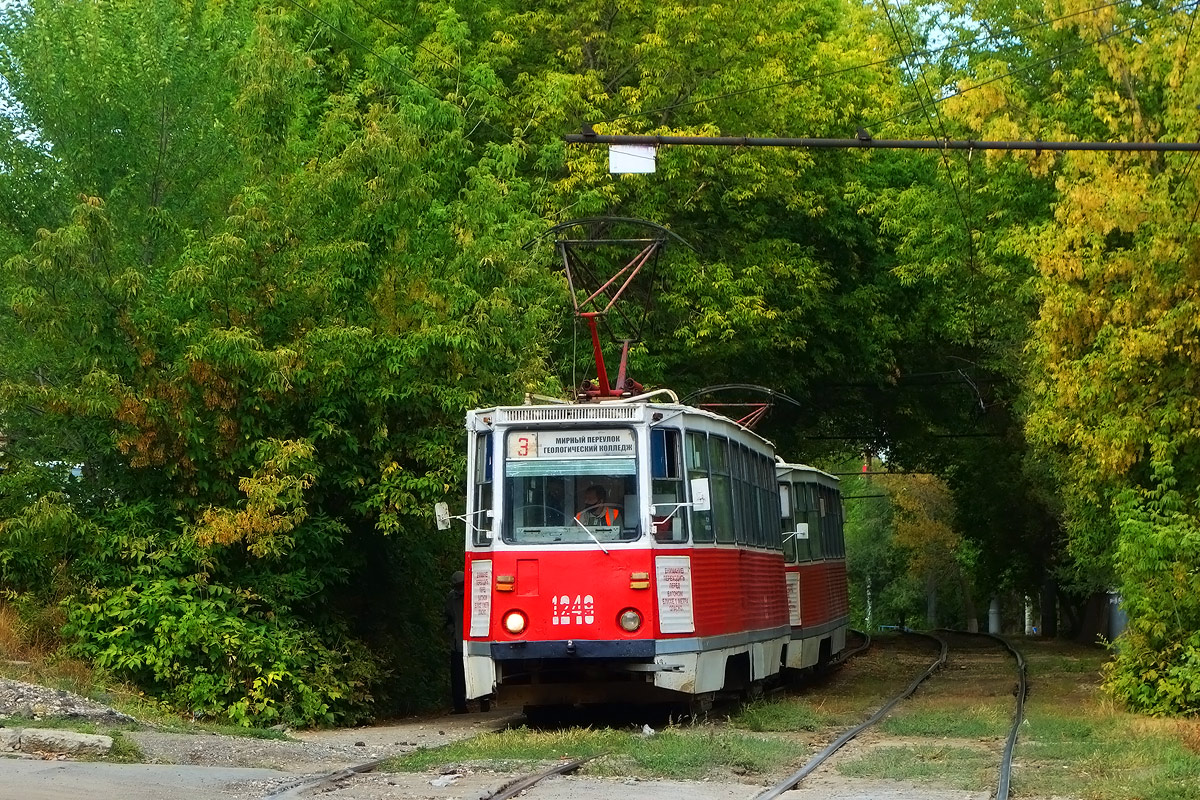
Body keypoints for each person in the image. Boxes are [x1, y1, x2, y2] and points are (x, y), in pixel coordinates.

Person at [443, 571, 468, 713]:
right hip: (457, 643)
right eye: (457, 586)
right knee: (457, 676)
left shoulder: (472, 594)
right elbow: (447, 618)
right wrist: (452, 632)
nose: (460, 588)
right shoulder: (451, 597)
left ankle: (485, 701)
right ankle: (460, 706)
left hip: (473, 642)